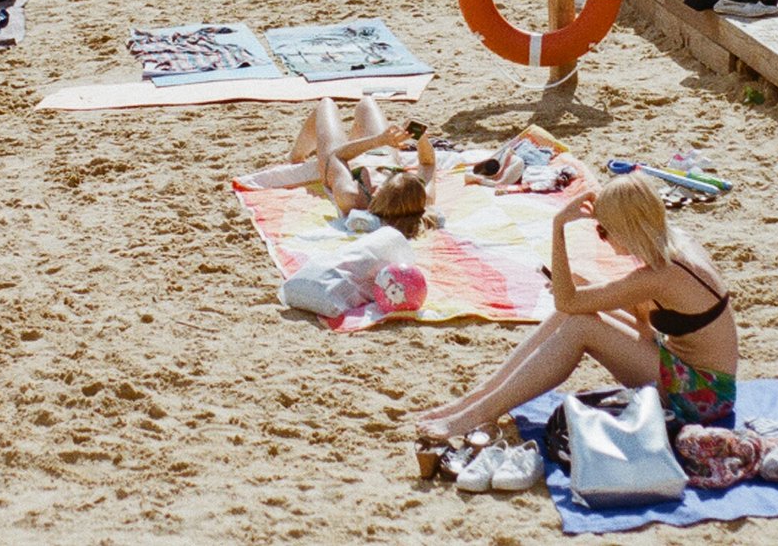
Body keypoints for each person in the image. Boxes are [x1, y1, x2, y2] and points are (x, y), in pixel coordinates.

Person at [415, 171, 739, 452]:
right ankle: (477, 399)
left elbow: (568, 301)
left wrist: (559, 227)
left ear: (626, 228)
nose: (604, 240)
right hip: (691, 371)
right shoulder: (673, 248)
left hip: (703, 396)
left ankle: (478, 414)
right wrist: (584, 293)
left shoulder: (658, 275)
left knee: (578, 324)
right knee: (576, 313)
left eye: (603, 230)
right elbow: (642, 321)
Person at [237, 96, 436, 233]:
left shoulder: (353, 197)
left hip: (350, 161)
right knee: (367, 104)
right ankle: (365, 141)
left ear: (377, 194)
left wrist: (377, 140)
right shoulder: (421, 198)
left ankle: (295, 155)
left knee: (326, 105)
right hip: (381, 154)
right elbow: (427, 163)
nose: (379, 181)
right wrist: (421, 138)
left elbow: (337, 156)